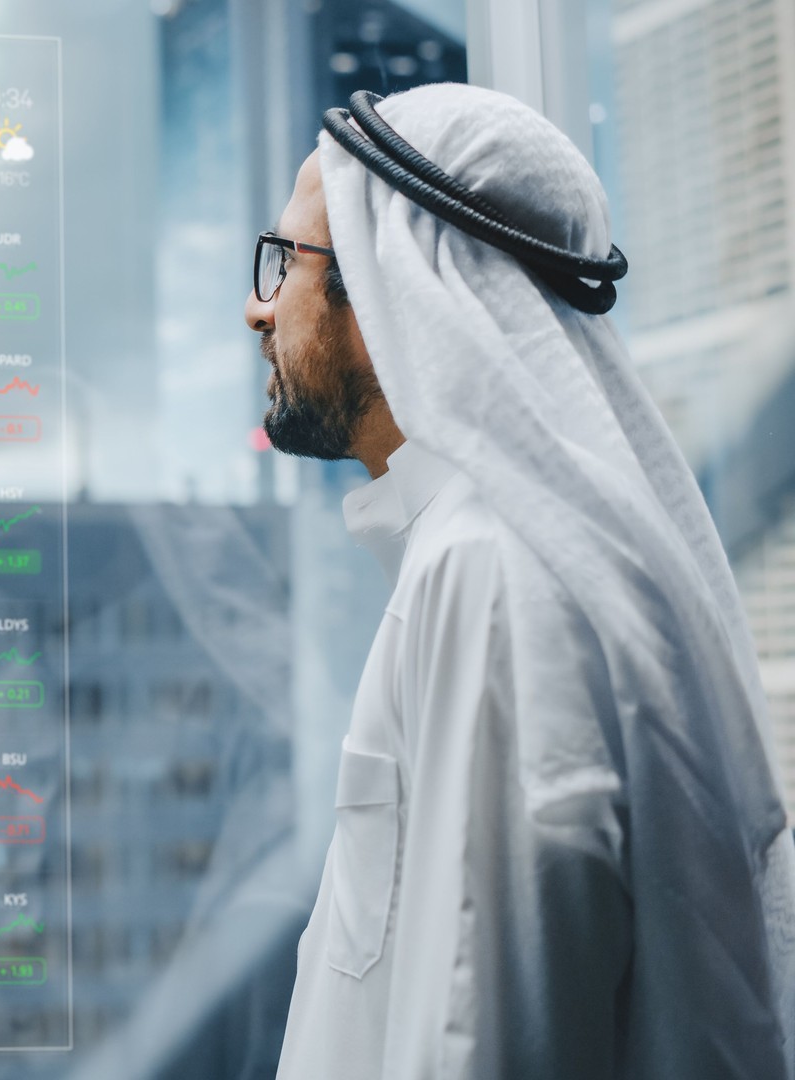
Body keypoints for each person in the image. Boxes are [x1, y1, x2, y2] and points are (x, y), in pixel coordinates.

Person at [246, 83, 795, 1078]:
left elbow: (480, 1032)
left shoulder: (490, 571)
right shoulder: (486, 549)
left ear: (388, 280)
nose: (258, 305)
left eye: (285, 263)